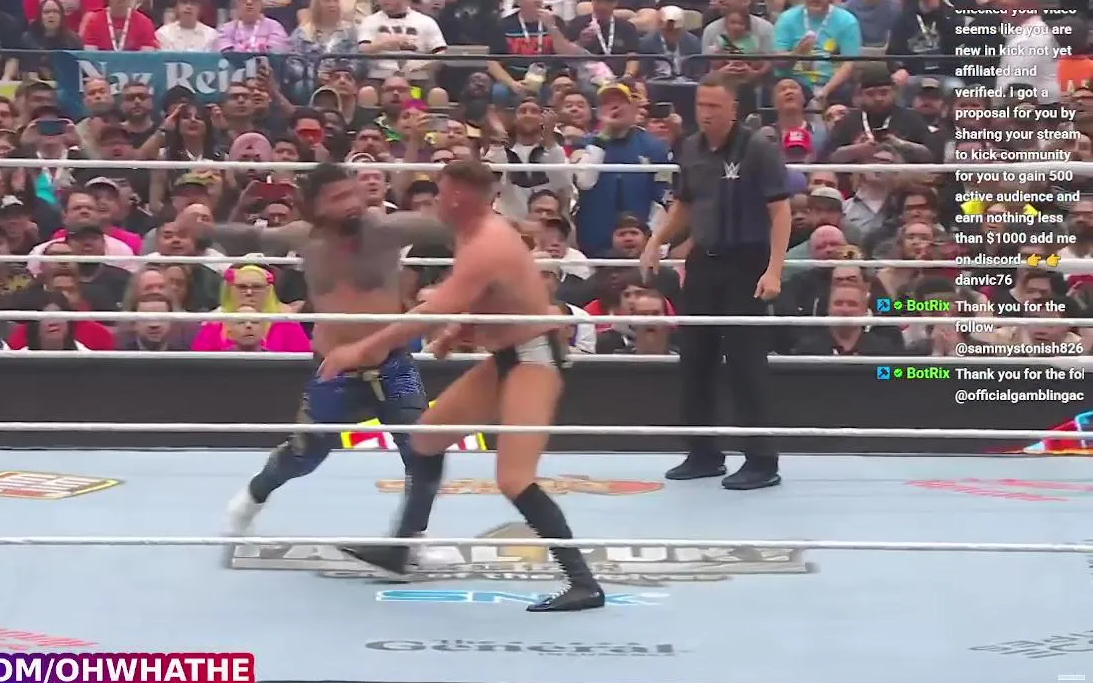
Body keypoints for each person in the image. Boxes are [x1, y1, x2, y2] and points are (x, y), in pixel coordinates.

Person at [318, 160, 606, 613]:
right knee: (425, 439)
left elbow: (433, 311)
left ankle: (583, 583)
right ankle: (400, 549)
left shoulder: (487, 243)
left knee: (514, 478)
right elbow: (500, 297)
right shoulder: (473, 233)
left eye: (441, 192)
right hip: (507, 356)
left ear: (458, 197)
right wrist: (460, 331)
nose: (435, 201)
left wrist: (358, 351)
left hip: (534, 359)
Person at [213, 163, 452, 570]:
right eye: (338, 198)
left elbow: (442, 226)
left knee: (425, 451)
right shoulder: (305, 238)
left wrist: (500, 226)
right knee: (303, 456)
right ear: (316, 208)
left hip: (393, 365)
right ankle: (251, 499)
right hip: (335, 372)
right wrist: (204, 229)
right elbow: (254, 238)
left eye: (353, 192)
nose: (352, 203)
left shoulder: (386, 230)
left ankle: (408, 540)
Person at [640, 72, 791, 491]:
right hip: (704, 261)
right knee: (695, 358)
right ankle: (703, 453)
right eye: (701, 105)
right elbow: (685, 205)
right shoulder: (690, 147)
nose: (705, 114)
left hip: (747, 262)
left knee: (745, 363)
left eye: (714, 107)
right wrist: (656, 240)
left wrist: (774, 269)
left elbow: (780, 211)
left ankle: (761, 460)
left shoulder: (757, 148)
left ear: (733, 109)